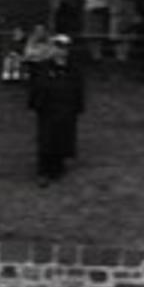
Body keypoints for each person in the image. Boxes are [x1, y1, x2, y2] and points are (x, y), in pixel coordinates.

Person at [27, 35, 86, 186]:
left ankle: (57, 167)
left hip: (67, 109)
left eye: (64, 48)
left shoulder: (74, 68)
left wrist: (78, 106)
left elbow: (79, 89)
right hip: (48, 109)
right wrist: (34, 104)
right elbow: (36, 87)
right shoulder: (43, 67)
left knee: (63, 138)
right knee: (46, 139)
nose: (60, 51)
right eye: (57, 47)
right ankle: (43, 171)